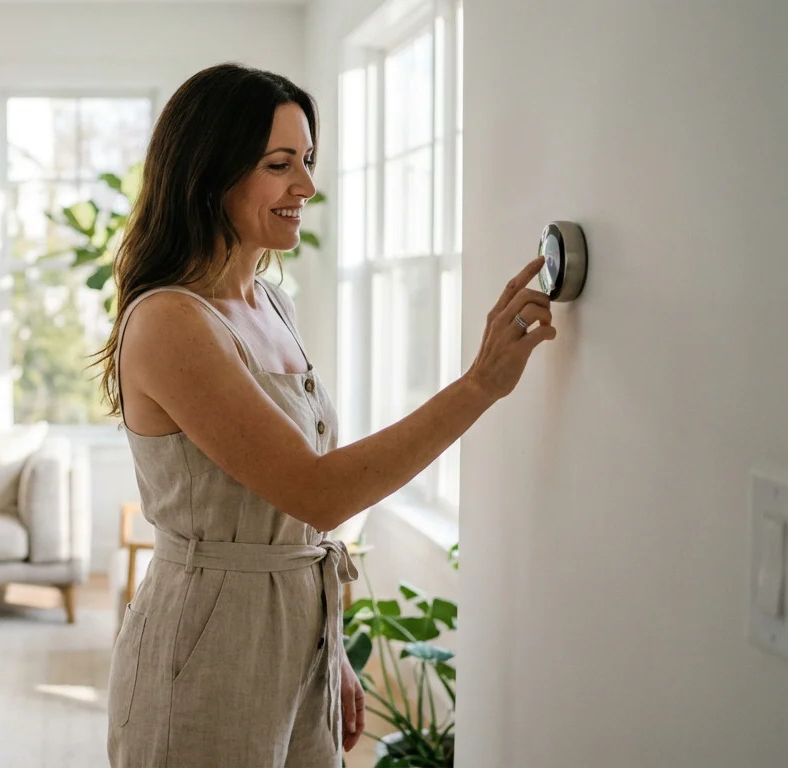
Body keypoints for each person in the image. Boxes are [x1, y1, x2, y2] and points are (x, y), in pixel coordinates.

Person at [98, 63, 555, 768]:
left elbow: (296, 526)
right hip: (204, 650)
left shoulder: (272, 305)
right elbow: (318, 490)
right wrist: (479, 384)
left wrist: (328, 648)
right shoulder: (170, 322)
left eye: (307, 162)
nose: (306, 187)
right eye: (280, 164)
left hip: (299, 642)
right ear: (209, 173)